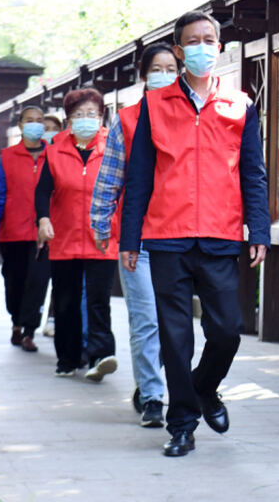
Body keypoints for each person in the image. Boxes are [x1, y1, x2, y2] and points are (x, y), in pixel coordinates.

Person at [121, 11, 269, 458]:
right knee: (175, 337)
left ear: (219, 47)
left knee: (227, 330)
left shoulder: (240, 105)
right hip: (167, 235)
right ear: (180, 50)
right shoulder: (154, 105)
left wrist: (258, 230)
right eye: (193, 40)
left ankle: (204, 387)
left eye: (209, 39)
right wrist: (130, 239)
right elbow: (139, 176)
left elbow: (253, 173)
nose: (202, 47)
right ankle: (182, 424)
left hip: (221, 234)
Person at [90, 42, 180, 428]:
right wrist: (100, 224)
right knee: (146, 319)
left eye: (171, 68)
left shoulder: (190, 117)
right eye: (156, 69)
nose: (164, 75)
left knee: (172, 322)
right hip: (137, 240)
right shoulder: (127, 120)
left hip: (179, 237)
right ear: (143, 76)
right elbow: (109, 178)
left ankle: (151, 384)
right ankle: (153, 396)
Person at [35, 87, 120, 380]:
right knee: (66, 301)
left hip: (102, 236)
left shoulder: (113, 147)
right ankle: (68, 358)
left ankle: (101, 355)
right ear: (69, 120)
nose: (86, 119)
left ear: (101, 116)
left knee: (98, 300)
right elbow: (43, 191)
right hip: (65, 236)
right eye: (79, 114)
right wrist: (43, 219)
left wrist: (115, 226)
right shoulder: (55, 150)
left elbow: (124, 189)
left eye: (92, 114)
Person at [0, 106, 49, 352]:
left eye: (39, 120)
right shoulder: (9, 156)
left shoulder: (53, 154)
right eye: (30, 120)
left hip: (44, 232)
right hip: (13, 230)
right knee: (14, 281)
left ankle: (29, 331)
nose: (35, 124)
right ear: (21, 126)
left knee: (38, 281)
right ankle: (16, 323)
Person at [39, 113, 63, 339]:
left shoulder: (60, 154)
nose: (49, 132)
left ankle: (53, 318)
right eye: (44, 128)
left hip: (60, 229)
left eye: (53, 128)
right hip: (39, 227)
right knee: (38, 278)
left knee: (59, 278)